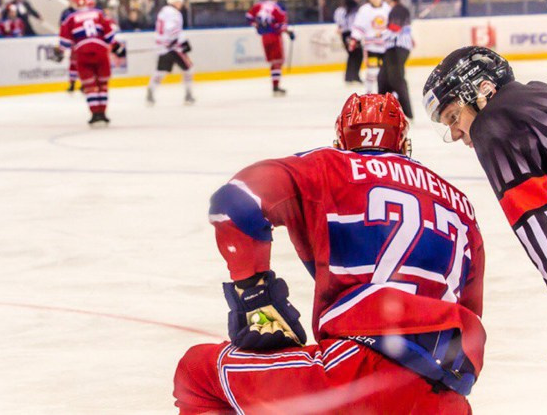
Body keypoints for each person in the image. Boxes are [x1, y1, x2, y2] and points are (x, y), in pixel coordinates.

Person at [174, 92, 486, 414]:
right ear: (404, 145)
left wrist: (255, 298)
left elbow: (234, 204)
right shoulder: (461, 206)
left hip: (351, 379)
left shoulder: (329, 167)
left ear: (341, 139)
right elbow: (471, 316)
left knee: (196, 373)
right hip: (444, 397)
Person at [422, 46, 547, 414]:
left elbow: (539, 221)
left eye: (454, 116)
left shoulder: (496, 124)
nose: (456, 133)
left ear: (483, 93)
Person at [57, 0, 125, 127]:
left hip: (83, 52)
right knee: (102, 85)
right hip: (100, 51)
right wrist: (117, 47)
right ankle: (103, 114)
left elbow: (64, 43)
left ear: (75, 2)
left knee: (89, 85)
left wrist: (59, 51)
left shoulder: (70, 18)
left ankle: (95, 115)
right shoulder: (98, 14)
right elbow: (110, 35)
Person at [146, 0, 195, 106]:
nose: (181, 4)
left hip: (162, 47)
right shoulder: (174, 13)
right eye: (180, 1)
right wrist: (182, 42)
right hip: (173, 47)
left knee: (160, 71)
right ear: (176, 1)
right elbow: (172, 29)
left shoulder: (163, 11)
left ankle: (151, 90)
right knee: (189, 69)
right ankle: (188, 95)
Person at [246, 0, 294, 96]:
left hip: (264, 37)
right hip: (275, 37)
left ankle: (275, 85)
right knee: (278, 62)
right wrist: (289, 32)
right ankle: (276, 87)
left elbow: (248, 16)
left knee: (273, 62)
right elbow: (281, 25)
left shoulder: (259, 5)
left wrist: (256, 25)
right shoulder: (278, 8)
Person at [379, 0, 414, 119]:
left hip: (397, 48)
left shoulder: (398, 9)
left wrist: (379, 35)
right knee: (383, 79)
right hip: (393, 49)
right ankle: (383, 110)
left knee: (396, 79)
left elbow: (394, 28)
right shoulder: (397, 9)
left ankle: (406, 113)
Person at [350, 0, 390, 94]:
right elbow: (359, 26)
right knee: (372, 71)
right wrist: (354, 38)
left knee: (386, 72)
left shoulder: (388, 8)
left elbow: (393, 26)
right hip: (371, 46)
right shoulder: (364, 10)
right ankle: (369, 92)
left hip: (386, 46)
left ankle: (385, 93)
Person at [333, 0, 362, 84]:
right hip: (350, 33)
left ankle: (351, 76)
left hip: (350, 33)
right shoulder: (350, 7)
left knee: (354, 54)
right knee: (355, 54)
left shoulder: (345, 8)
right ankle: (352, 76)